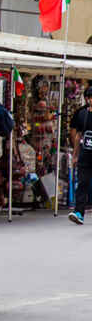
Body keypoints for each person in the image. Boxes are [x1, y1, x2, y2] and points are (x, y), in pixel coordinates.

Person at [67, 86, 92, 225]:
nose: (90, 100)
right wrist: (75, 155)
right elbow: (78, 136)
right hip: (85, 155)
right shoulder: (82, 114)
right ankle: (79, 212)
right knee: (82, 183)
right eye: (88, 97)